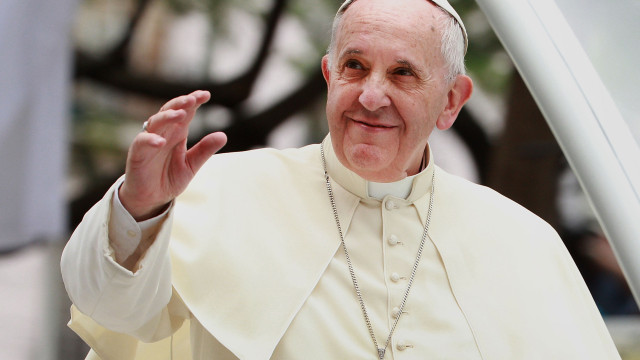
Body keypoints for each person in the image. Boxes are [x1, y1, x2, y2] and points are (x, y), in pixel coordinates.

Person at [61, 0, 621, 359]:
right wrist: (139, 210)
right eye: (355, 66)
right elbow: (112, 312)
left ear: (451, 101)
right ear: (330, 75)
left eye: (403, 73)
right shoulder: (214, 191)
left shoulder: (522, 241)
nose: (371, 96)